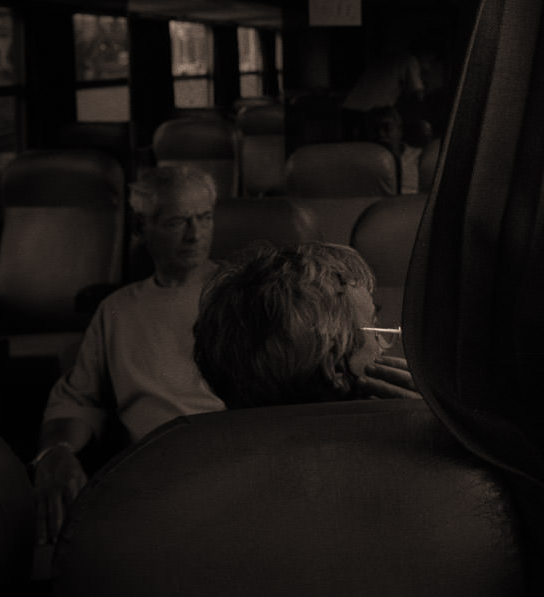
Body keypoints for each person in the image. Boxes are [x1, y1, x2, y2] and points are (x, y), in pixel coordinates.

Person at [31, 165, 226, 541]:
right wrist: (55, 451)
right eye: (177, 222)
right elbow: (77, 400)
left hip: (228, 464)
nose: (195, 235)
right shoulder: (118, 310)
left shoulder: (240, 293)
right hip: (147, 478)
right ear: (141, 228)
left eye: (204, 218)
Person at [193, 243, 419, 408]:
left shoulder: (201, 456)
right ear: (336, 369)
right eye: (376, 330)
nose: (385, 346)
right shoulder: (400, 455)